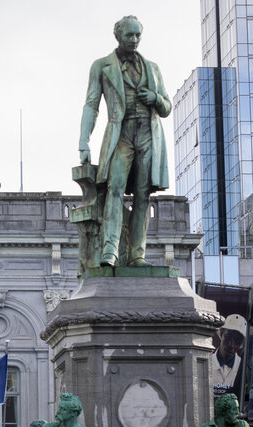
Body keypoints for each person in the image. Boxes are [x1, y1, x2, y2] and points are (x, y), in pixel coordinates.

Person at [79, 15, 171, 267]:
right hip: (121, 133)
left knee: (143, 194)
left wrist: (154, 98)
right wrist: (83, 142)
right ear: (118, 36)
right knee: (115, 189)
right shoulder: (101, 66)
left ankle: (137, 254)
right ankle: (110, 250)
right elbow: (91, 105)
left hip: (148, 134)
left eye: (138, 35)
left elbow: (166, 107)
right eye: (129, 35)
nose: (134, 40)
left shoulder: (152, 68)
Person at [212, 314, 247, 398]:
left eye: (237, 341)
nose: (231, 345)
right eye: (228, 337)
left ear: (240, 345)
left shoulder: (243, 367)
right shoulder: (205, 363)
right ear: (221, 335)